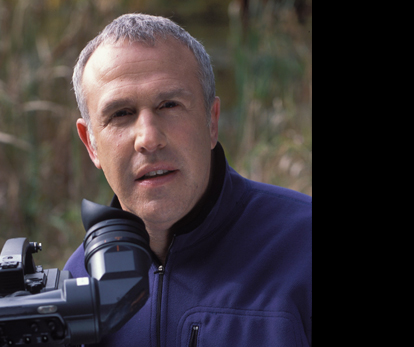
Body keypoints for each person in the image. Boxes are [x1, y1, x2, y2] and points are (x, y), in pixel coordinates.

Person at [64, 13, 311, 347]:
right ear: (90, 143)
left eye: (169, 104)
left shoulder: (303, 245)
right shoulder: (78, 280)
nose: (148, 138)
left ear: (212, 121)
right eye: (121, 114)